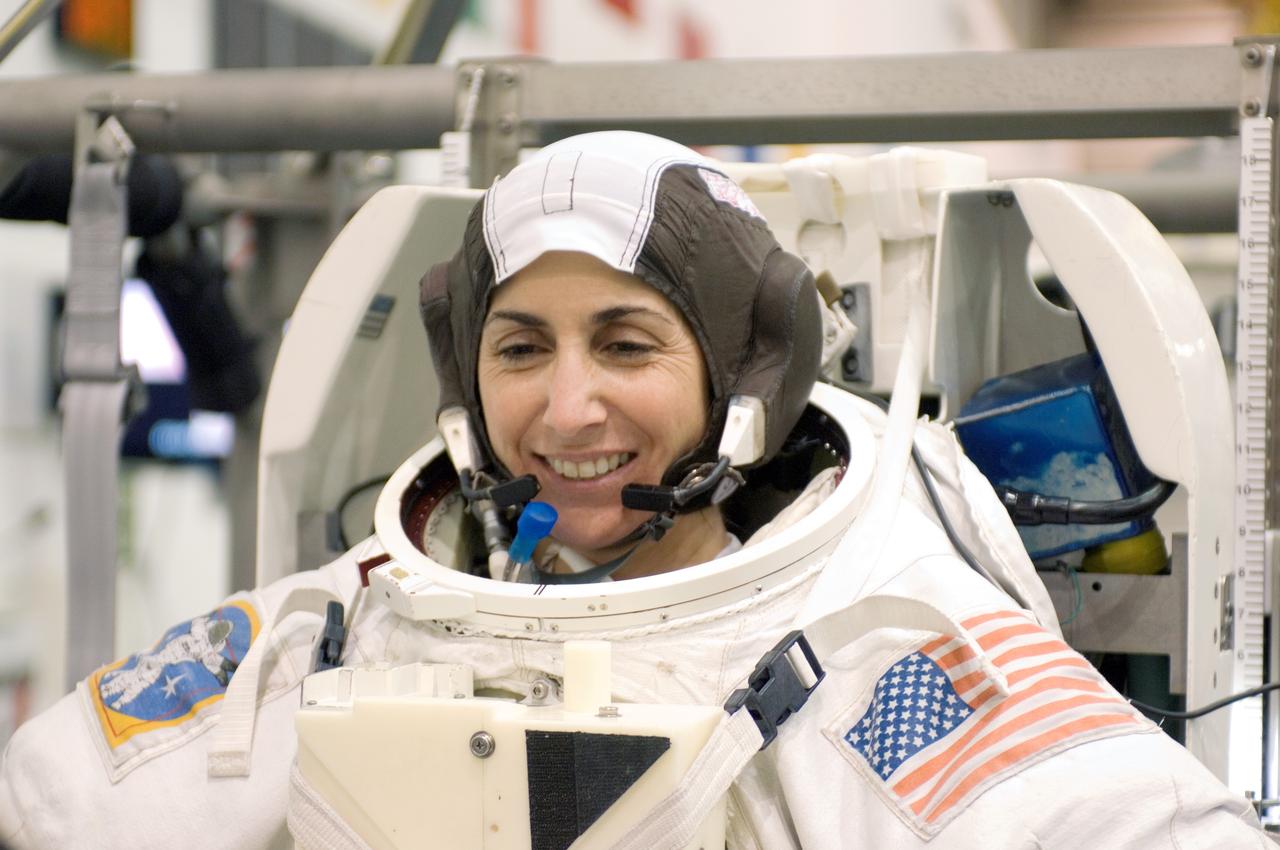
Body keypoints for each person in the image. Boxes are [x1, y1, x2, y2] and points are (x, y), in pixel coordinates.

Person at [0, 131, 1267, 849]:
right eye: (518, 347)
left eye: (624, 343)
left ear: (741, 371)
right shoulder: (355, 620)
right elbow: (54, 801)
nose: (565, 410)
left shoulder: (882, 647)